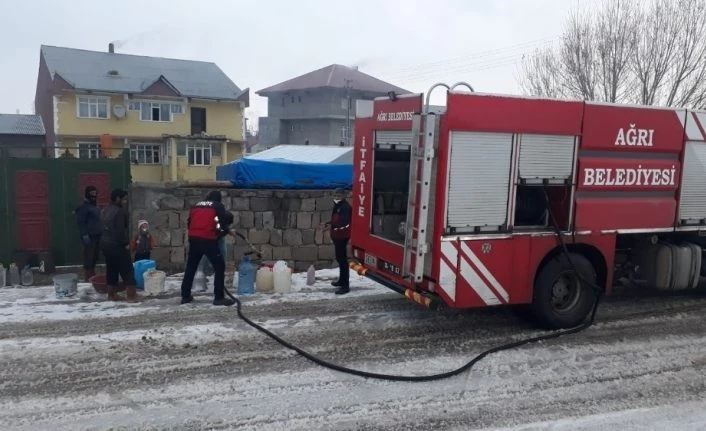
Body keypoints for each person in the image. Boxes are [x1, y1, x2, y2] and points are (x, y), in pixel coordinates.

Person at [180, 191, 235, 306]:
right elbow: (221, 226)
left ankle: (185, 296)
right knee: (219, 266)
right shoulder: (218, 206)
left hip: (193, 238)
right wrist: (224, 232)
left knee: (191, 267)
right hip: (207, 239)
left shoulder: (197, 205)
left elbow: (189, 223)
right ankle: (219, 298)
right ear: (218, 199)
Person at [101, 188, 138, 301]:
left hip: (106, 244)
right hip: (117, 245)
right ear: (117, 199)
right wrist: (126, 243)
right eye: (124, 199)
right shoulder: (119, 212)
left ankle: (111, 294)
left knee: (111, 269)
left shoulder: (105, 210)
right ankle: (132, 295)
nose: (125, 202)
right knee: (127, 270)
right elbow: (120, 231)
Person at [324, 188, 352, 295]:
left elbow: (344, 223)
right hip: (337, 235)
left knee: (343, 260)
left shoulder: (345, 207)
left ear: (344, 196)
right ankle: (341, 280)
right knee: (339, 259)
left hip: (342, 236)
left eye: (339, 195)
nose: (336, 197)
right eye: (335, 195)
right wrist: (328, 223)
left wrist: (332, 227)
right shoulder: (338, 205)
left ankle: (345, 286)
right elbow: (336, 220)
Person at [75, 186, 102, 282]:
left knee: (95, 256)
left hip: (97, 235)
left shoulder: (95, 207)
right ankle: (88, 276)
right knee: (88, 257)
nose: (94, 195)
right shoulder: (83, 208)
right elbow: (81, 222)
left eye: (95, 193)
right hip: (89, 236)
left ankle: (92, 274)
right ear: (87, 194)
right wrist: (84, 235)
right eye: (92, 193)